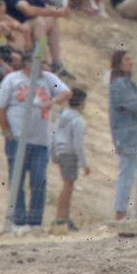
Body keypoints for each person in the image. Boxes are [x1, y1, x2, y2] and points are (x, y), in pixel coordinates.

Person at [0, 52, 69, 232]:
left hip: (41, 142)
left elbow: (66, 92)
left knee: (38, 180)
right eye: (41, 62)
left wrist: (53, 101)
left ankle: (35, 222)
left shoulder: (48, 79)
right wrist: (7, 132)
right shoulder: (13, 80)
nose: (45, 66)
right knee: (17, 181)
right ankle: (17, 221)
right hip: (17, 140)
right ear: (28, 64)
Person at [107, 49, 137, 221]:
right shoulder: (120, 84)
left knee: (129, 174)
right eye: (128, 59)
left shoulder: (127, 83)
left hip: (132, 135)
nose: (131, 62)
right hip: (126, 136)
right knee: (126, 174)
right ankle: (120, 212)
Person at [49, 88, 89, 233]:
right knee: (68, 185)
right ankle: (61, 217)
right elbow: (78, 145)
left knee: (67, 184)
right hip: (69, 153)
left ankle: (63, 217)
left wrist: (53, 153)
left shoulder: (61, 117)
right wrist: (85, 164)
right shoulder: (78, 121)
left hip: (59, 151)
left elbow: (53, 135)